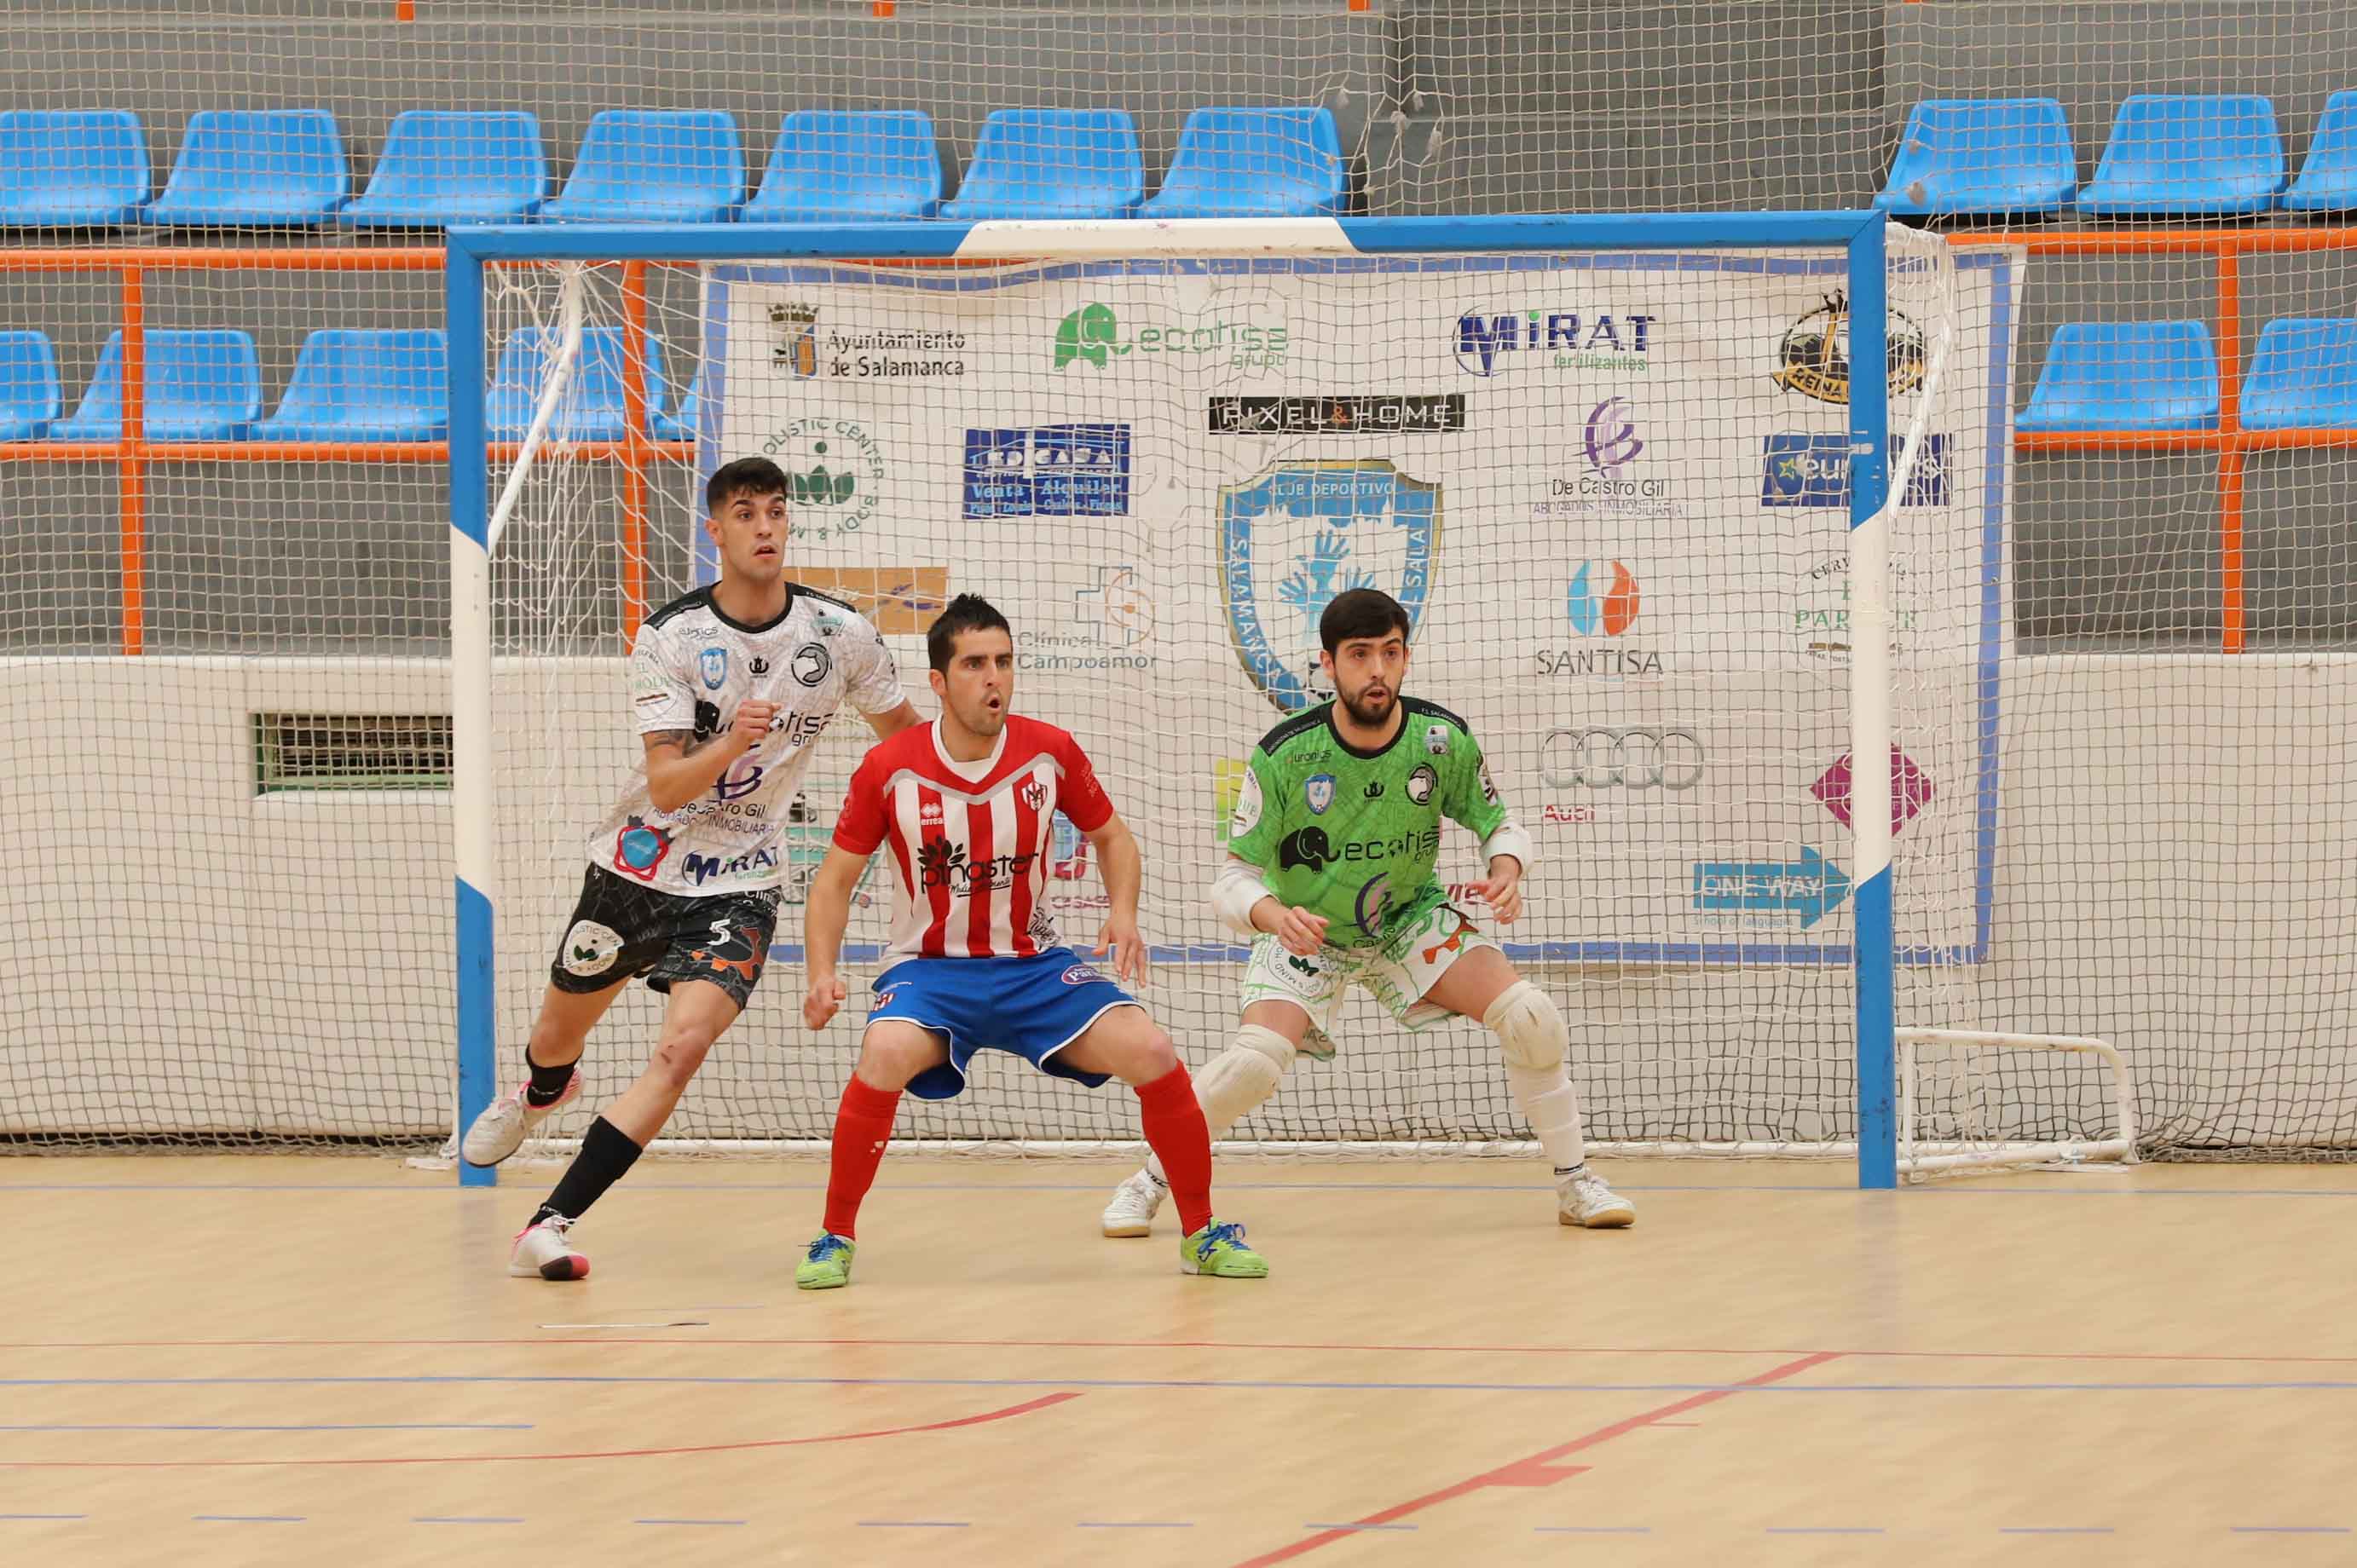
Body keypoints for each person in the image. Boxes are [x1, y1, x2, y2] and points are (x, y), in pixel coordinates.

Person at [465, 456, 923, 1281]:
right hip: (637, 866)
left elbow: (905, 743)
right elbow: (670, 783)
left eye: (776, 512)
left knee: (681, 1049)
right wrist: (733, 741)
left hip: (740, 881)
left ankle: (547, 1225)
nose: (765, 527)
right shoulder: (671, 635)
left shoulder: (838, 634)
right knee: (556, 1035)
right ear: (714, 531)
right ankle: (540, 1090)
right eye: (745, 513)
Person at [1099, 587, 1635, 1236]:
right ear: (1328, 666)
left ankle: (1574, 1183)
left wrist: (1505, 867)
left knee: (1531, 1018)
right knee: (1253, 1063)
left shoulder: (1441, 738)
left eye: (1390, 653)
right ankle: (1148, 1180)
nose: (1377, 670)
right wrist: (1272, 915)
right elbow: (1232, 880)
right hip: (1308, 931)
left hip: (1407, 919)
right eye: (1359, 655)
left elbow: (1500, 823)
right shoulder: (1285, 754)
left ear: (1405, 657)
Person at [795, 594, 1267, 1288]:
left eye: (1004, 662)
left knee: (1153, 1050)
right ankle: (833, 1237)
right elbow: (832, 883)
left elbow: (1112, 837)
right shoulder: (888, 767)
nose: (995, 679)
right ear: (938, 682)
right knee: (885, 1051)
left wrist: (1124, 912)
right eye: (975, 664)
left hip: (1034, 968)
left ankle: (1200, 1233)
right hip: (931, 973)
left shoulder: (1048, 751)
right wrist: (820, 972)